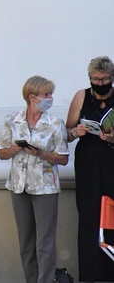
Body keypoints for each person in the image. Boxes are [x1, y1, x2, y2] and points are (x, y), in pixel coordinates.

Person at [0, 75, 69, 283]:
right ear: (32, 96)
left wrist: (41, 154)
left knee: (44, 243)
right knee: (26, 242)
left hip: (45, 187)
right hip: (18, 185)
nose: (50, 97)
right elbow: (1, 154)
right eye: (46, 94)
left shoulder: (55, 123)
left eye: (50, 94)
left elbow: (63, 158)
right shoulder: (12, 120)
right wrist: (14, 149)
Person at [66, 56, 114, 282]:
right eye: (95, 78)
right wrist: (76, 132)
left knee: (112, 214)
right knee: (89, 215)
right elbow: (66, 132)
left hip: (111, 161)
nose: (100, 82)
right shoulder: (81, 96)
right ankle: (91, 274)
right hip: (88, 164)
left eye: (104, 79)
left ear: (111, 78)